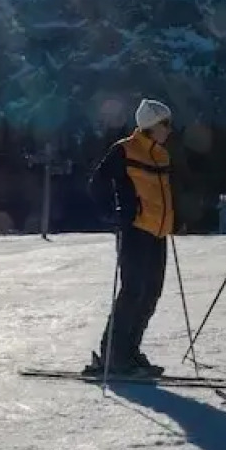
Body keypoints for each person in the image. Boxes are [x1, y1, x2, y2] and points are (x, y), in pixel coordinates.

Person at [85, 98, 175, 376]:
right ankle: (113, 354)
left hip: (157, 232)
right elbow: (97, 183)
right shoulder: (124, 150)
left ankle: (130, 351)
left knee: (150, 293)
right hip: (135, 230)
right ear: (151, 124)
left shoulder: (161, 155)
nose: (169, 130)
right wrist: (115, 214)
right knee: (133, 291)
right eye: (165, 124)